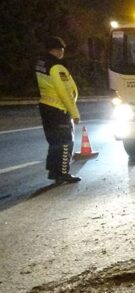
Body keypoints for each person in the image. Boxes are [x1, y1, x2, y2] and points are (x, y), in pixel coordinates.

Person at [35, 36, 80, 183]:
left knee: (54, 141)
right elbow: (64, 92)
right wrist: (74, 113)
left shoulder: (42, 63)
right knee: (66, 141)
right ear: (56, 50)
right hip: (59, 108)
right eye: (61, 49)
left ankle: (53, 171)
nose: (63, 52)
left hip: (46, 106)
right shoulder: (56, 67)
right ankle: (63, 173)